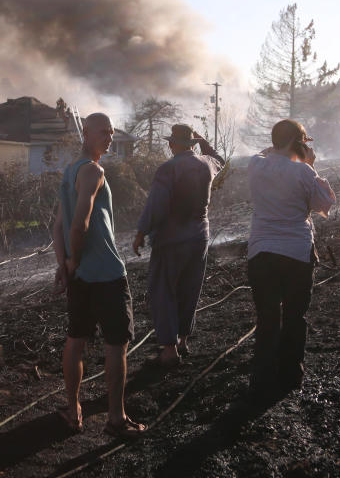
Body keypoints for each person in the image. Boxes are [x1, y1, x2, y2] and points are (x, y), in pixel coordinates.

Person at [52, 113, 146, 438]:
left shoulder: (69, 172)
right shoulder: (93, 171)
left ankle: (73, 410)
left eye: (110, 132)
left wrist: (63, 264)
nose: (109, 137)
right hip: (105, 273)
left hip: (79, 276)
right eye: (103, 132)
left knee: (75, 340)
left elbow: (57, 227)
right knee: (116, 344)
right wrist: (73, 261)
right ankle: (117, 419)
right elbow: (79, 224)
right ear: (87, 134)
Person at [243, 119, 335, 396]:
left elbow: (262, 154)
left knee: (268, 316)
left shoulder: (255, 165)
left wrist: (276, 148)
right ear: (298, 143)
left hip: (261, 251)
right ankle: (291, 374)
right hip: (296, 251)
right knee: (295, 315)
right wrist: (311, 165)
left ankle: (262, 376)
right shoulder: (303, 172)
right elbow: (323, 205)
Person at [133, 124, 225, 367]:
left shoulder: (168, 169)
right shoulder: (206, 164)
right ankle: (183, 340)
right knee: (189, 289)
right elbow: (219, 159)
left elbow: (156, 205)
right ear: (192, 144)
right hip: (199, 237)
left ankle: (169, 349)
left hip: (171, 239)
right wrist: (203, 141)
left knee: (163, 291)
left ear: (172, 144)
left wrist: (141, 232)